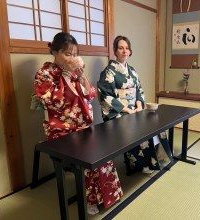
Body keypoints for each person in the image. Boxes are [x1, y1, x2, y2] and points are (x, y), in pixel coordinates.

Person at [34, 32, 123, 215]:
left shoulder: (74, 72)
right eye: (68, 54)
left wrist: (81, 77)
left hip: (82, 128)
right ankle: (91, 200)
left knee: (102, 155)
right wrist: (66, 75)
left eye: (75, 54)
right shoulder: (44, 73)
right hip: (61, 132)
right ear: (55, 52)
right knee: (88, 160)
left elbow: (90, 95)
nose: (72, 58)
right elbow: (54, 102)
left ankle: (107, 196)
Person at [97, 35, 172, 175]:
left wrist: (138, 106)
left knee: (155, 124)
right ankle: (140, 164)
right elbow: (105, 97)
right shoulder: (108, 72)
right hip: (119, 112)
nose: (124, 51)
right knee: (135, 128)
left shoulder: (132, 70)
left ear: (130, 51)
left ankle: (159, 158)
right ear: (115, 51)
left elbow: (139, 90)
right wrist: (127, 110)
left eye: (127, 48)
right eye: (120, 48)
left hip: (134, 109)